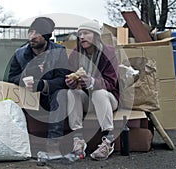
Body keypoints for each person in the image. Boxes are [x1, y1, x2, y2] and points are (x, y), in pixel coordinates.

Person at [7, 17, 70, 157]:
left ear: (46, 36)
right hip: (27, 97)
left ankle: (53, 145)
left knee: (61, 94)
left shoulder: (59, 51)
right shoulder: (20, 54)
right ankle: (13, 144)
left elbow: (63, 79)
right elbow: (11, 77)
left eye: (37, 33)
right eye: (31, 32)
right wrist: (24, 80)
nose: (32, 36)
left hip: (49, 98)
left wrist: (43, 84)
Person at [65, 20, 119, 160]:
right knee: (71, 93)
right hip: (87, 100)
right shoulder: (76, 53)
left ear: (95, 35)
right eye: (80, 34)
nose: (82, 37)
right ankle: (78, 140)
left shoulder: (109, 53)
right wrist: (71, 82)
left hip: (108, 98)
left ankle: (108, 141)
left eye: (86, 33)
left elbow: (112, 83)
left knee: (98, 93)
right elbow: (72, 80)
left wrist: (93, 82)